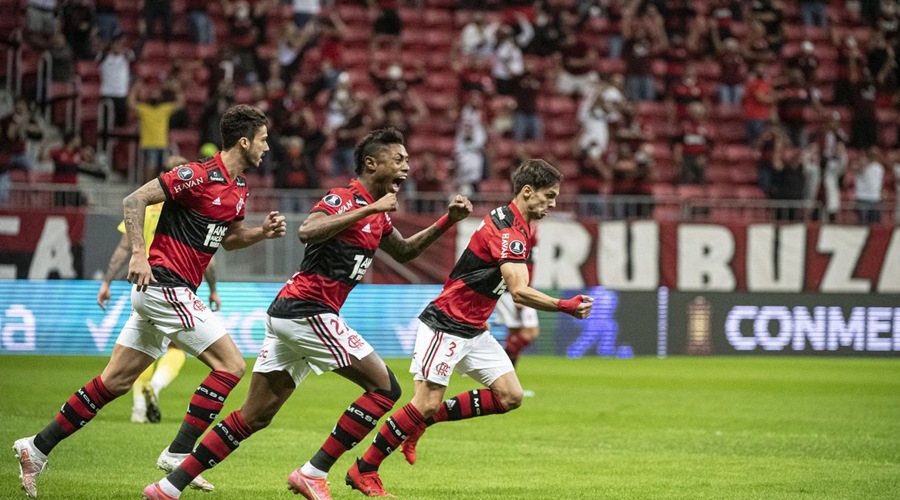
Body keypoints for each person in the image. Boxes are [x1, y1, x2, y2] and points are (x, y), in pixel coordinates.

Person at [141, 127, 473, 500]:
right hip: (307, 310)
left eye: (408, 160)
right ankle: (313, 473)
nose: (407, 167)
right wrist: (369, 208)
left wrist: (448, 220)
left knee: (255, 416)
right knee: (385, 389)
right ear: (371, 163)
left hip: (295, 314)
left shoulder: (379, 215)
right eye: (399, 159)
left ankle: (168, 487)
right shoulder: (345, 198)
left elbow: (405, 252)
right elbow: (308, 230)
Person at [13, 105, 288, 499]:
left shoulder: (239, 188)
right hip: (164, 284)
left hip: (172, 292)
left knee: (116, 381)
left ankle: (36, 448)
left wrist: (261, 232)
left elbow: (228, 238)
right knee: (231, 365)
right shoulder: (196, 174)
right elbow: (134, 199)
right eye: (263, 139)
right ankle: (178, 455)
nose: (267, 146)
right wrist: (139, 253)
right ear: (244, 141)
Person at [346, 159, 594, 497]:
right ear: (526, 192)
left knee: (510, 396)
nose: (552, 203)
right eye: (548, 196)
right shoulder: (510, 232)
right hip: (447, 323)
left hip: (474, 327)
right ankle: (365, 469)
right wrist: (564, 306)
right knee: (424, 402)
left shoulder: (515, 222)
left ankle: (424, 422)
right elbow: (519, 291)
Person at [96, 155, 222, 425]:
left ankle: (139, 406)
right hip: (176, 284)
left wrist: (106, 281)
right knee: (179, 348)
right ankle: (156, 386)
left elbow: (122, 248)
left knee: (142, 348)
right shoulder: (188, 208)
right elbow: (207, 259)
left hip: (144, 285)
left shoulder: (145, 206)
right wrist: (213, 290)